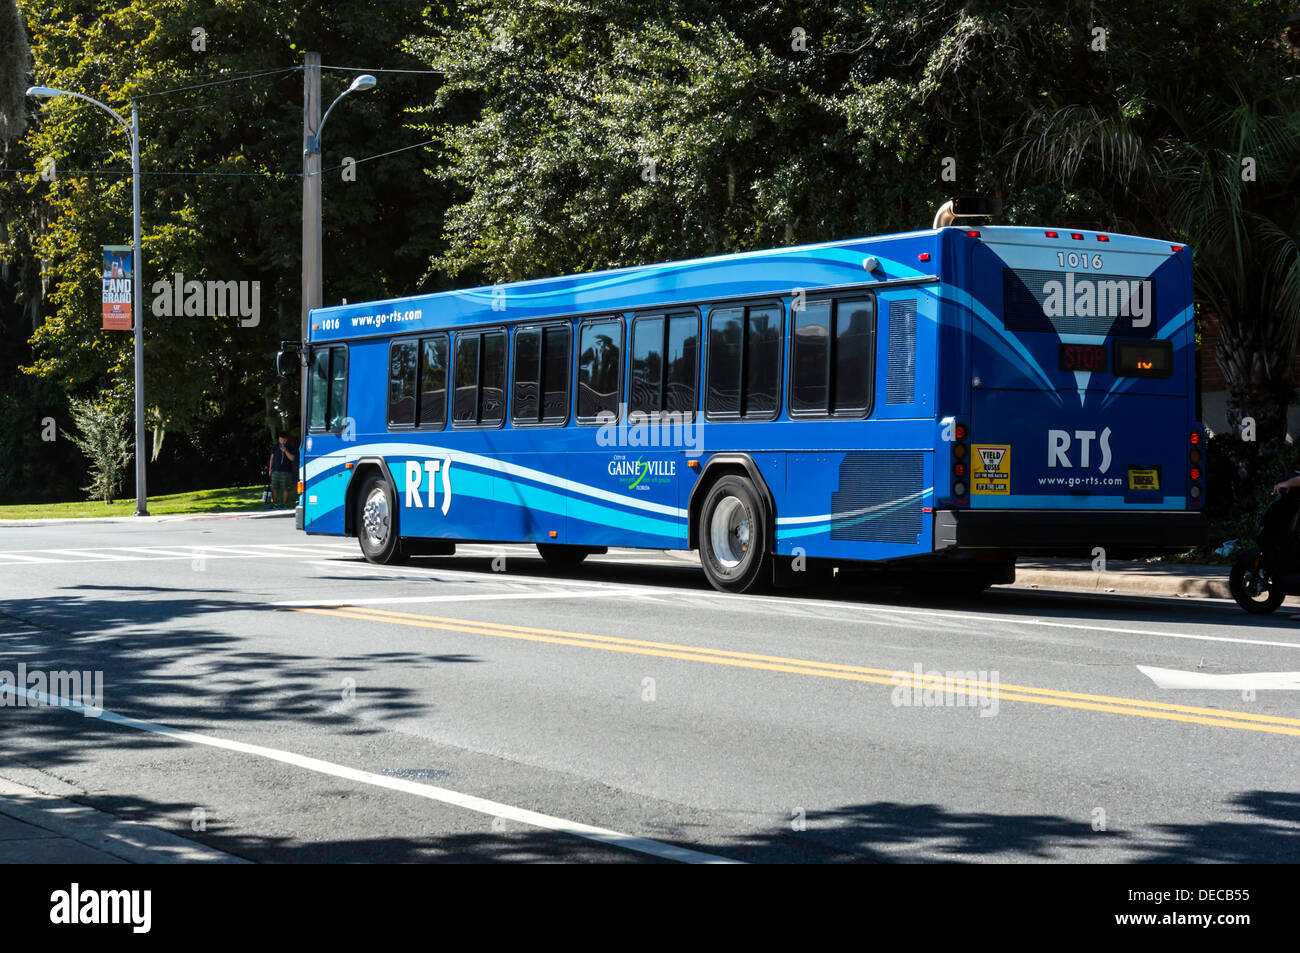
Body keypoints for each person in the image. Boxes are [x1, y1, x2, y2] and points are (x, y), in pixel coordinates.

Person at [268, 433, 297, 509]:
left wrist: (285, 451)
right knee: (274, 488)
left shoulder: (290, 447)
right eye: (280, 439)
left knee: (285, 488)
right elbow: (271, 458)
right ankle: (275, 504)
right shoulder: (275, 447)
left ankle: (284, 504)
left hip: (286, 471)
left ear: (286, 440)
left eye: (283, 440)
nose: (281, 441)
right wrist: (270, 469)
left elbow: (292, 458)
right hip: (275, 471)